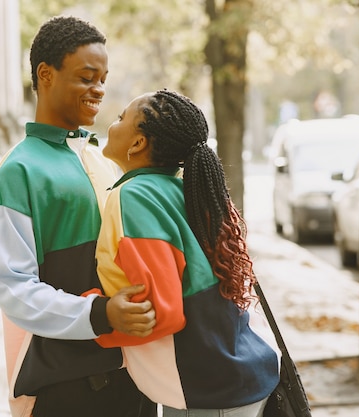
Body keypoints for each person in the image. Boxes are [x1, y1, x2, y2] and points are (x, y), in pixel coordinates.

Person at [0, 16, 157, 417]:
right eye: (86, 77)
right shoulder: (19, 171)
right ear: (46, 75)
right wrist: (100, 314)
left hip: (131, 378)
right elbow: (13, 287)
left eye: (103, 78)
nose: (98, 89)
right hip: (66, 388)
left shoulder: (103, 158)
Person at [95, 90, 281, 417]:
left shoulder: (133, 196)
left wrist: (95, 314)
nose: (113, 123)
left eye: (121, 118)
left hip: (209, 388)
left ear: (138, 144)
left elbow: (163, 313)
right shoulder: (178, 188)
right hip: (223, 377)